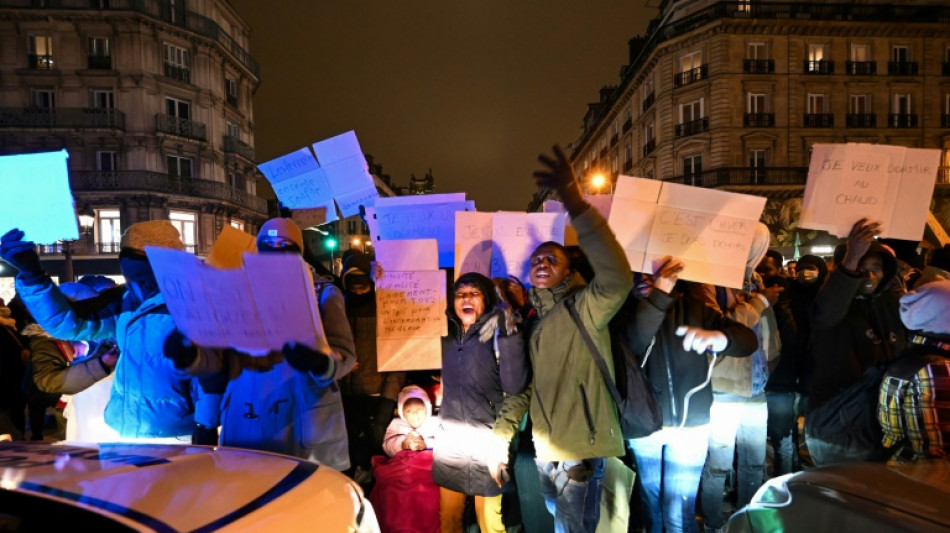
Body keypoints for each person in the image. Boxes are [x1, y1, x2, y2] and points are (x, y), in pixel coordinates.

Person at [169, 218, 357, 469]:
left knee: (302, 496)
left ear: (298, 250)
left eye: (285, 243)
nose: (276, 248)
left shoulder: (323, 293)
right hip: (247, 411)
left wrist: (320, 361)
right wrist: (188, 356)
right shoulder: (236, 293)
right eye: (268, 243)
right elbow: (219, 357)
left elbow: (345, 354)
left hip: (301, 413)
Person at [0, 223, 210, 441]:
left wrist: (206, 425)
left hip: (179, 432)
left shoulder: (197, 301)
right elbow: (68, 323)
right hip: (125, 429)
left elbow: (213, 369)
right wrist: (33, 276)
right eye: (130, 257)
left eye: (143, 259)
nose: (138, 275)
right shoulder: (126, 298)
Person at [524, 145, 633, 532]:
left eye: (552, 259)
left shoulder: (585, 307)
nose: (542, 262)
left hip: (580, 452)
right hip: (546, 451)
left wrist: (575, 203)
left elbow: (618, 276)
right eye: (536, 259)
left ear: (570, 274)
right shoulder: (533, 318)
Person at [615, 256, 757, 533]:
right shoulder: (622, 312)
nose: (646, 280)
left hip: (690, 426)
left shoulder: (694, 308)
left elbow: (747, 340)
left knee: (679, 510)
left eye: (653, 273)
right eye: (638, 274)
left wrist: (720, 339)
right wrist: (659, 295)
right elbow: (633, 343)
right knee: (651, 503)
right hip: (645, 427)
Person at [695, 224, 783, 532]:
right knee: (718, 466)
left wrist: (771, 363)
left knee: (755, 463)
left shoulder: (757, 282)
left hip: (757, 388)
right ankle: (715, 523)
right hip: (724, 389)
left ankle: (746, 519)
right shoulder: (709, 284)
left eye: (754, 245)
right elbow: (722, 330)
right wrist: (759, 302)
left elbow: (768, 334)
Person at [805, 218, 906, 466]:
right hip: (837, 425)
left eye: (877, 267)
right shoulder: (832, 304)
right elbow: (826, 314)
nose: (870, 274)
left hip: (881, 425)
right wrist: (852, 258)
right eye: (862, 266)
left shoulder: (891, 306)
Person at [433, 272, 530, 533]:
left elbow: (516, 384)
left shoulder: (498, 332)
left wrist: (509, 330)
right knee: (449, 517)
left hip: (487, 441)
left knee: (490, 520)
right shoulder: (443, 332)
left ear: (485, 300)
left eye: (474, 293)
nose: (466, 298)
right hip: (450, 441)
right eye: (460, 294)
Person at [340, 252, 406, 486]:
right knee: (345, 459)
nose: (358, 292)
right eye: (353, 287)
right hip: (344, 397)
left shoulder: (385, 309)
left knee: (378, 461)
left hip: (376, 396)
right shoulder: (337, 309)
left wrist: (387, 400)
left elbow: (398, 358)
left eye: (362, 287)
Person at [878, 280, 950, 464]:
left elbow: (892, 435)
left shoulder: (911, 359)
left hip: (904, 472)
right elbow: (935, 448)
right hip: (932, 479)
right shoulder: (937, 368)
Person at [372, 385, 441, 533]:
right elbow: (387, 445)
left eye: (419, 410)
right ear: (402, 412)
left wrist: (427, 445)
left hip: (427, 468)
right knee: (390, 491)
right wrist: (402, 444)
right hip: (400, 468)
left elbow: (447, 444)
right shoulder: (396, 425)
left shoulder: (435, 424)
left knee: (427, 495)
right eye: (409, 411)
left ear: (427, 409)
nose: (415, 415)